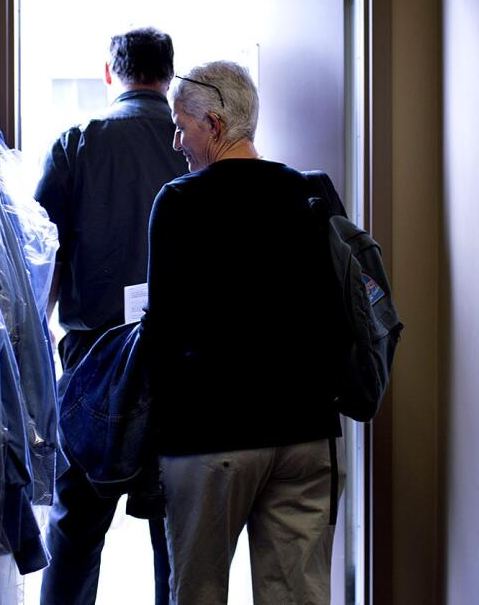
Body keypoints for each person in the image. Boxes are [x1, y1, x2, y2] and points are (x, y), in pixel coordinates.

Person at [145, 60, 344, 605]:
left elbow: (161, 333)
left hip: (210, 438)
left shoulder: (180, 202)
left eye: (181, 126)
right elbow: (340, 310)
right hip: (306, 432)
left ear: (212, 124)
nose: (177, 141)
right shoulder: (311, 195)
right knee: (298, 596)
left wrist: (149, 442)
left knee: (200, 593)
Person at [36, 27, 185, 605]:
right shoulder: (190, 146)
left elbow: (44, 266)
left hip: (93, 361)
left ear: (109, 74)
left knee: (75, 526)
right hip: (177, 364)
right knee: (174, 532)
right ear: (169, 77)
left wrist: (31, 362)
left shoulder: (77, 143)